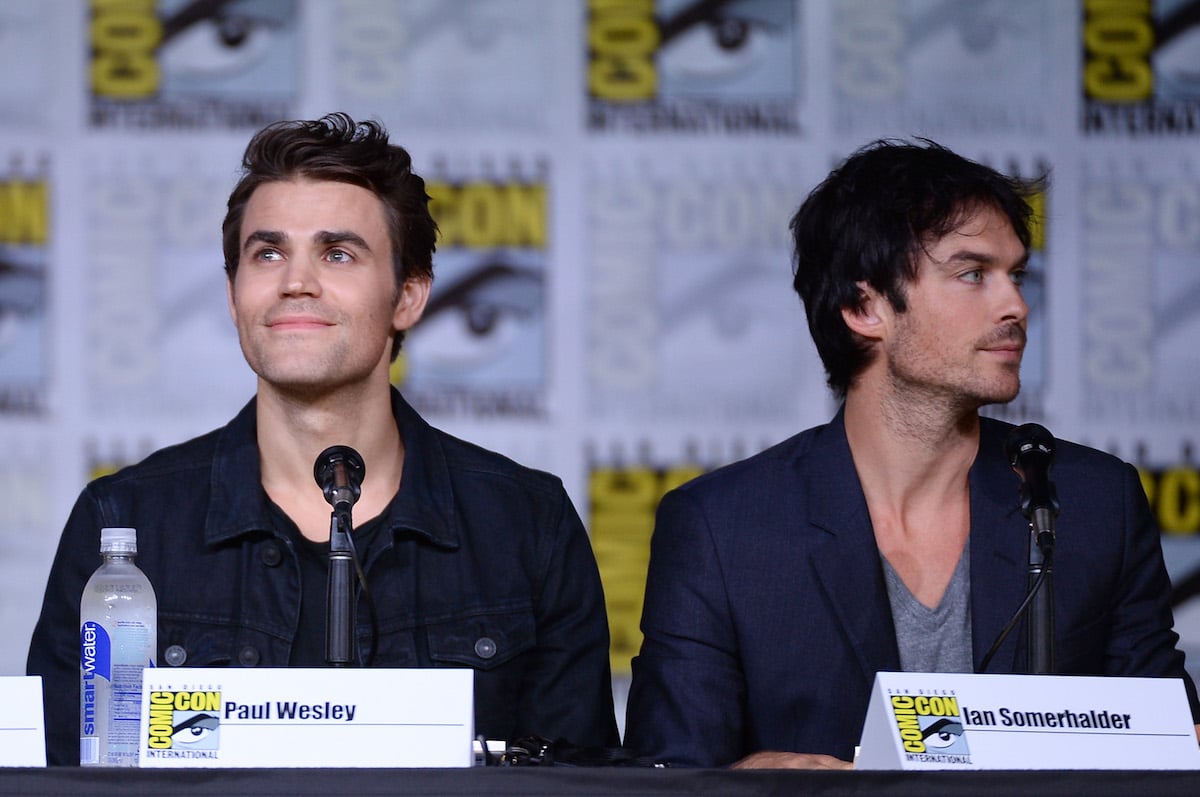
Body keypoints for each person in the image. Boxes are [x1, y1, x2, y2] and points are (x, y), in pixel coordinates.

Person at [27, 113, 618, 765]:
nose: (295, 281)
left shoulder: (527, 523)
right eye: (268, 252)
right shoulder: (125, 520)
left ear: (409, 296)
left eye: (337, 252)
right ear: (233, 294)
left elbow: (581, 778)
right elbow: (56, 775)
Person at [623, 139, 1200, 769]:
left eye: (1016, 275)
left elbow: (1169, 751)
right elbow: (669, 776)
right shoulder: (721, 527)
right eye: (973, 274)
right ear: (863, 307)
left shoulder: (1094, 500)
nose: (1016, 306)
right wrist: (748, 784)